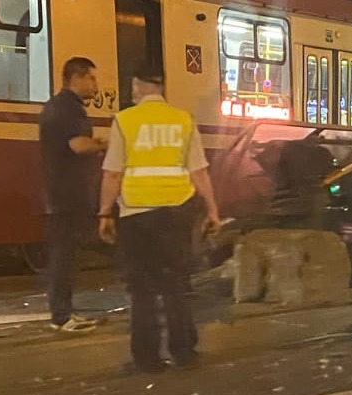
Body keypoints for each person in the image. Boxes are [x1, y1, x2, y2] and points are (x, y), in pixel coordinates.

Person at [98, 64, 222, 373]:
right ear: (162, 88)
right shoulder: (182, 120)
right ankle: (184, 353)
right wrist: (212, 209)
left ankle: (147, 358)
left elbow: (113, 173)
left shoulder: (125, 121)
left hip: (136, 214)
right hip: (176, 213)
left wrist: (103, 213)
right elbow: (199, 171)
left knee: (141, 289)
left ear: (138, 86)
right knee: (176, 284)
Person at [39, 56, 106, 332]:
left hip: (57, 192)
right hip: (69, 194)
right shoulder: (71, 109)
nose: (95, 84)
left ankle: (62, 312)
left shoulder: (55, 106)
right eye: (91, 78)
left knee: (64, 255)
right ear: (76, 77)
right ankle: (63, 316)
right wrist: (104, 143)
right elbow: (78, 146)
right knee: (65, 257)